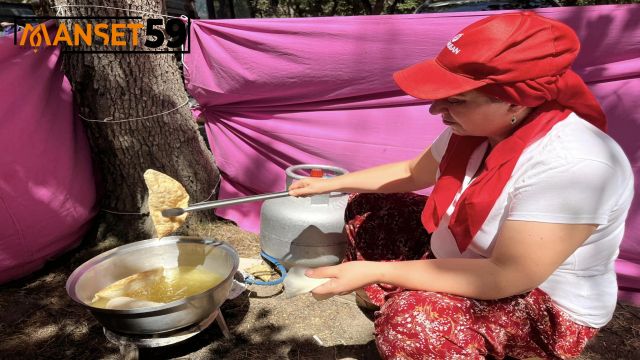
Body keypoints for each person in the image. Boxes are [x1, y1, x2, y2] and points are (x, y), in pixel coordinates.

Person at [288, 11, 634, 360]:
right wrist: (331, 184)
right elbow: (412, 172)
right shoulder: (475, 129)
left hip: (538, 300)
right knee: (366, 206)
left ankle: (447, 328)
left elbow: (509, 275)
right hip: (468, 256)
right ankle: (404, 292)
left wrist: (376, 269)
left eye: (455, 99)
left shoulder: (575, 164)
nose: (436, 109)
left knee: (414, 323)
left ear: (516, 99)